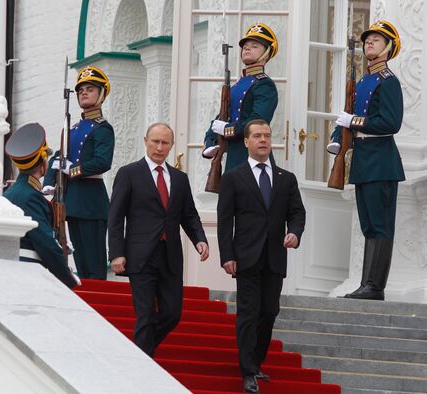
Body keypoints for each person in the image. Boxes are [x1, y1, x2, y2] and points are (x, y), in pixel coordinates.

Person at [217, 119, 306, 393]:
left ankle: (256, 362)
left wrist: (295, 233)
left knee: (269, 311)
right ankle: (247, 371)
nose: (263, 140)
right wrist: (226, 255)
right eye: (257, 136)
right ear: (246, 142)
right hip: (245, 256)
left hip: (275, 257)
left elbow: (297, 212)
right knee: (248, 312)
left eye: (267, 136)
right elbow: (224, 220)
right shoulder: (233, 177)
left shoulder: (286, 178)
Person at [108, 122, 209, 357]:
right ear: (145, 141)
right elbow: (115, 217)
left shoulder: (180, 179)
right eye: (155, 141)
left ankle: (141, 351)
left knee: (172, 313)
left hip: (170, 255)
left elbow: (189, 215)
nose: (160, 147)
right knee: (144, 314)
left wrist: (200, 240)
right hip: (140, 256)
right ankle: (143, 365)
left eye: (165, 143)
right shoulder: (129, 173)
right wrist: (116, 253)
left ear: (172, 145)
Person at [327, 21, 404, 301]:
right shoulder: (363, 81)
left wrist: (355, 122)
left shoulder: (388, 81)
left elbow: (391, 122)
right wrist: (339, 135)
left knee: (380, 225)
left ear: (388, 48)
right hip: (362, 159)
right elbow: (349, 114)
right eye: (367, 40)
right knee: (369, 226)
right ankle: (365, 284)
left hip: (381, 161)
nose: (369, 43)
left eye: (376, 40)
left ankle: (375, 286)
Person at [43, 65, 115, 280]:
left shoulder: (102, 128)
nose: (84, 92)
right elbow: (58, 156)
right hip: (73, 201)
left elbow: (102, 162)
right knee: (81, 264)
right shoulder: (73, 129)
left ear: (101, 94)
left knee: (93, 263)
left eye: (90, 89)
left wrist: (72, 169)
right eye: (81, 89)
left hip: (91, 200)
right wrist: (49, 180)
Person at [4, 122, 80, 289]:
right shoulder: (31, 197)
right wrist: (67, 277)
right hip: (29, 270)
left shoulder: (10, 193)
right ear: (43, 163)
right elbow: (45, 244)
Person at [203, 22, 279, 172]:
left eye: (254, 45)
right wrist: (210, 139)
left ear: (267, 52)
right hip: (233, 156)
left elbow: (257, 122)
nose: (247, 48)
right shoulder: (239, 84)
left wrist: (227, 130)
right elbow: (224, 114)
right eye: (245, 46)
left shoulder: (264, 85)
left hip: (253, 156)